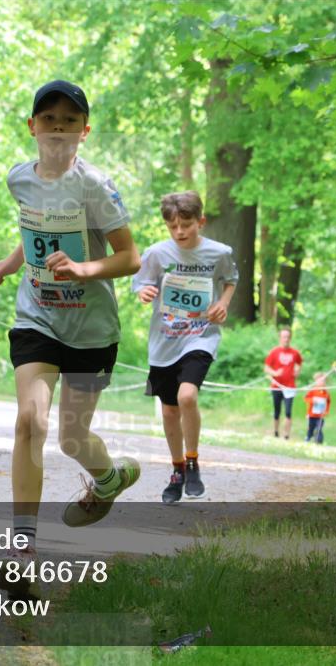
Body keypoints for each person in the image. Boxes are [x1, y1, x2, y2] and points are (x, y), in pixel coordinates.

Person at [0, 80, 142, 592]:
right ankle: (22, 548)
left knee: (74, 438)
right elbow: (34, 228)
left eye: (69, 120)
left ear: (84, 132)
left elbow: (129, 257)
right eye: (48, 118)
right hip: (37, 318)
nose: (57, 128)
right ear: (32, 127)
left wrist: (83, 268)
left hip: (91, 330)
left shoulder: (96, 186)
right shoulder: (18, 179)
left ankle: (109, 479)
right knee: (30, 421)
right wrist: (11, 264)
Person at [132, 191, 237, 504]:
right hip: (165, 339)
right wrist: (144, 292)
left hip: (201, 335)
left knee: (187, 395)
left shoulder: (219, 252)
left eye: (187, 225)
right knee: (168, 410)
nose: (180, 231)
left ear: (200, 222)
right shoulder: (157, 253)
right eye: (173, 226)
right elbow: (140, 281)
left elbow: (231, 279)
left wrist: (223, 303)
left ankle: (192, 462)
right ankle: (176, 470)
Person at [264, 328, 302, 439]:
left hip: (290, 386)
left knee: (288, 412)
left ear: (290, 338)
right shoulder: (274, 352)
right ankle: (276, 432)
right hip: (276, 386)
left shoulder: (295, 353)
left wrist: (297, 371)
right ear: (280, 338)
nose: (286, 339)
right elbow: (266, 368)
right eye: (284, 336)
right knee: (277, 411)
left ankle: (286, 435)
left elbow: (299, 363)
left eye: (288, 337)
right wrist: (275, 373)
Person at [303, 372, 331, 444]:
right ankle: (308, 437)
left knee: (319, 427)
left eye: (323, 381)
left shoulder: (326, 392)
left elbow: (328, 402)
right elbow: (306, 398)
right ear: (316, 381)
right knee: (311, 427)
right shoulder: (313, 390)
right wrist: (312, 400)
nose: (321, 382)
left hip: (320, 415)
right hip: (312, 414)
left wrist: (326, 411)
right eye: (319, 380)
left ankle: (319, 440)